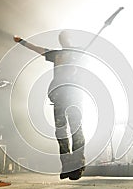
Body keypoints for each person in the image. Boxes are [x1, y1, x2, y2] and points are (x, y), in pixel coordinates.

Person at [13, 31, 86, 180]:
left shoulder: (79, 52)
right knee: (60, 131)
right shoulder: (56, 54)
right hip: (59, 96)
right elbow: (38, 49)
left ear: (71, 39)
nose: (63, 40)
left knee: (75, 128)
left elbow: (86, 64)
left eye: (66, 37)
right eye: (61, 39)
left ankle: (77, 164)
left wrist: (76, 66)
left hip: (73, 95)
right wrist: (22, 41)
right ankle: (67, 165)